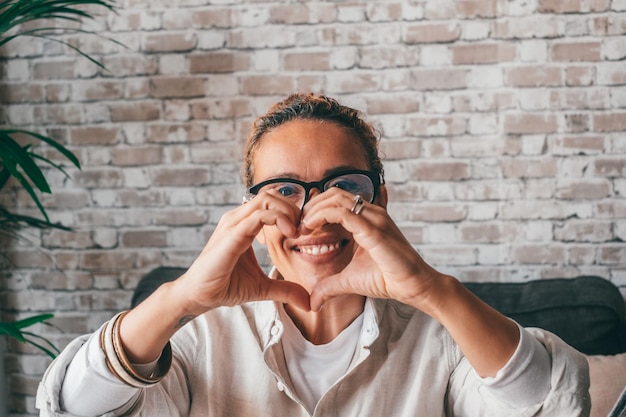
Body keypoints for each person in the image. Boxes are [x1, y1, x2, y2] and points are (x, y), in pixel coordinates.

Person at [36, 93, 590, 417]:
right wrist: (180, 298)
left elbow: (552, 404)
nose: (316, 215)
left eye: (342, 188)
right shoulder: (195, 337)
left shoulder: (440, 337)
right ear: (249, 210)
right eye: (283, 192)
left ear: (378, 200)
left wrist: (432, 290)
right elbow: (72, 407)